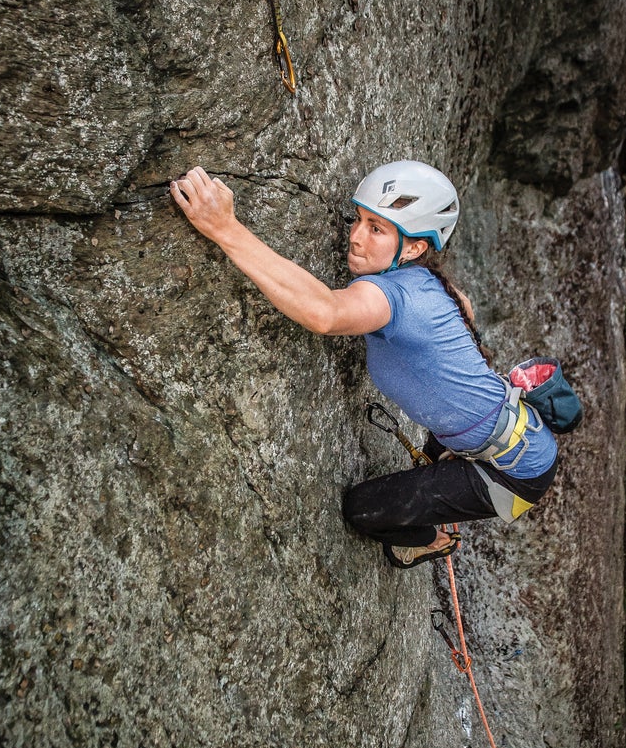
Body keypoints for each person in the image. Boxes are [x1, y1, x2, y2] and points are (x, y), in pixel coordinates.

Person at [169, 161, 558, 569]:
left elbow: (325, 314)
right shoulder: (427, 284)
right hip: (502, 430)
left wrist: (225, 228)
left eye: (376, 229)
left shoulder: (397, 298)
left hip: (515, 472)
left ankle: (431, 540)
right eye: (359, 219)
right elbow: (464, 308)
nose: (355, 237)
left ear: (414, 248)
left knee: (363, 509)